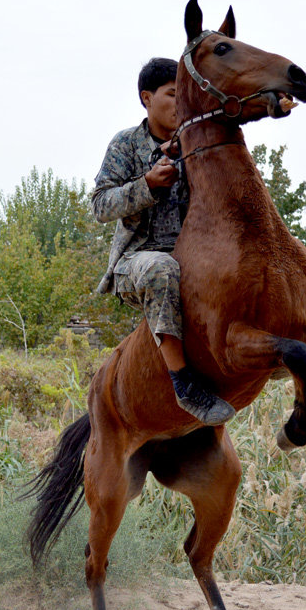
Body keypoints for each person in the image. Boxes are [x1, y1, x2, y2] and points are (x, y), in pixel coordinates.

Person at [91, 57, 236, 426]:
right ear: (146, 98)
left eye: (184, 94)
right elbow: (100, 206)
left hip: (194, 259)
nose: (180, 102)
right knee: (161, 268)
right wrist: (147, 185)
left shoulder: (194, 142)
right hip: (137, 263)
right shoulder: (124, 144)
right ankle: (184, 385)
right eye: (173, 94)